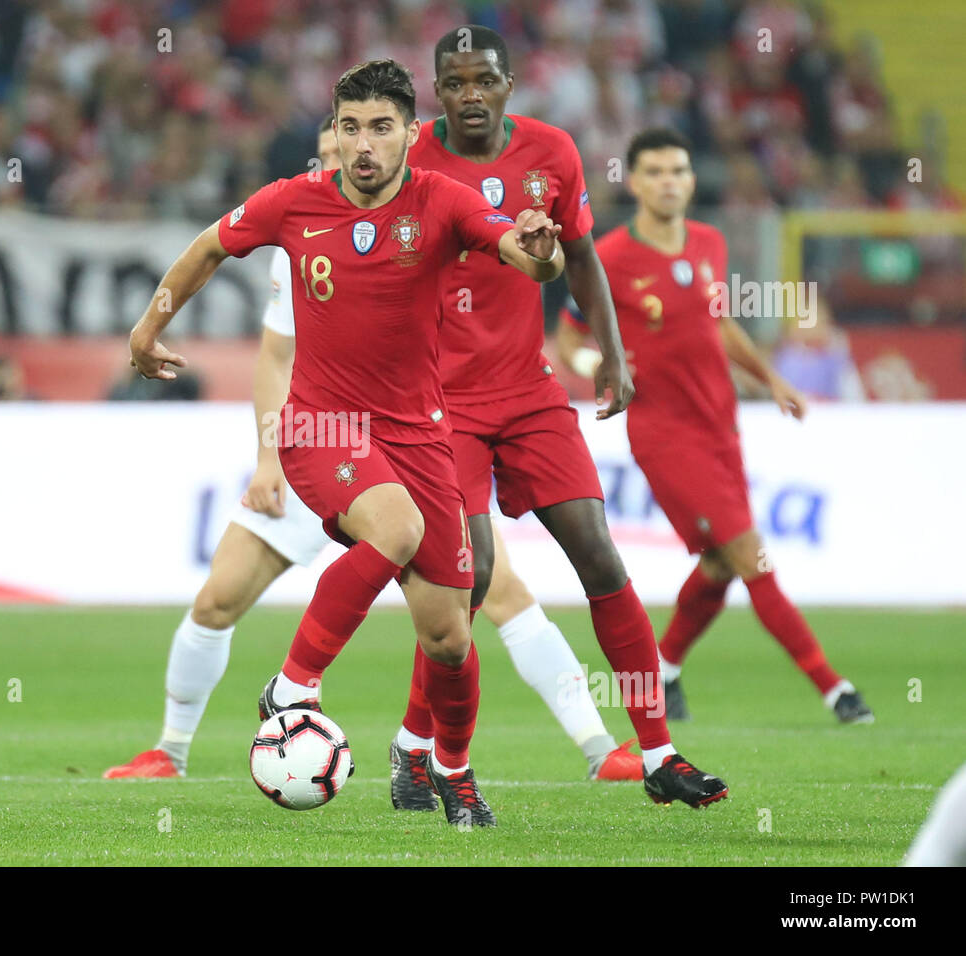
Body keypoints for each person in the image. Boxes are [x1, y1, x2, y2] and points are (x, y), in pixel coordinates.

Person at [106, 116, 642, 787]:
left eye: (362, 142)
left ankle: (591, 745)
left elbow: (527, 256)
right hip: (320, 442)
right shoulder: (297, 227)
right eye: (334, 146)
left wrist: (540, 252)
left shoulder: (424, 213)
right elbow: (275, 358)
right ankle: (170, 750)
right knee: (218, 598)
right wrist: (270, 457)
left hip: (401, 443)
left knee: (480, 603)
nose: (347, 156)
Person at [390, 26, 724, 811]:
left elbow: (579, 255)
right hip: (443, 403)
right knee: (461, 585)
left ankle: (660, 753)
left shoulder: (552, 153)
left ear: (510, 85)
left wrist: (612, 350)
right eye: (456, 80)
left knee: (600, 558)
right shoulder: (413, 164)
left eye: (485, 79)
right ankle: (420, 749)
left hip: (530, 391)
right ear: (438, 91)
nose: (471, 92)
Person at [556, 127, 872, 724]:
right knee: (751, 555)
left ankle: (664, 665)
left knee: (721, 563)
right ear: (635, 182)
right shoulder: (611, 257)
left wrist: (770, 379)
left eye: (678, 170)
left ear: (692, 179)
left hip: (720, 423)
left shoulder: (708, 242)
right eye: (655, 172)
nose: (669, 181)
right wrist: (594, 367)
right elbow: (567, 339)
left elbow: (719, 322)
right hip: (663, 433)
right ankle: (836, 689)